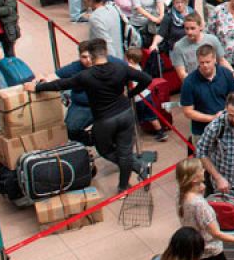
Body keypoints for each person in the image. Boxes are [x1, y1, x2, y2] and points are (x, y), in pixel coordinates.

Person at [28, 39, 153, 191]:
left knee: (106, 151)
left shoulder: (86, 76)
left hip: (105, 120)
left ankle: (138, 166)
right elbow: (146, 79)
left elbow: (59, 85)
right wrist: (130, 94)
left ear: (92, 56)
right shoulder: (120, 67)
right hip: (126, 114)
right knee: (125, 152)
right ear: (106, 53)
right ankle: (124, 185)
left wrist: (37, 88)